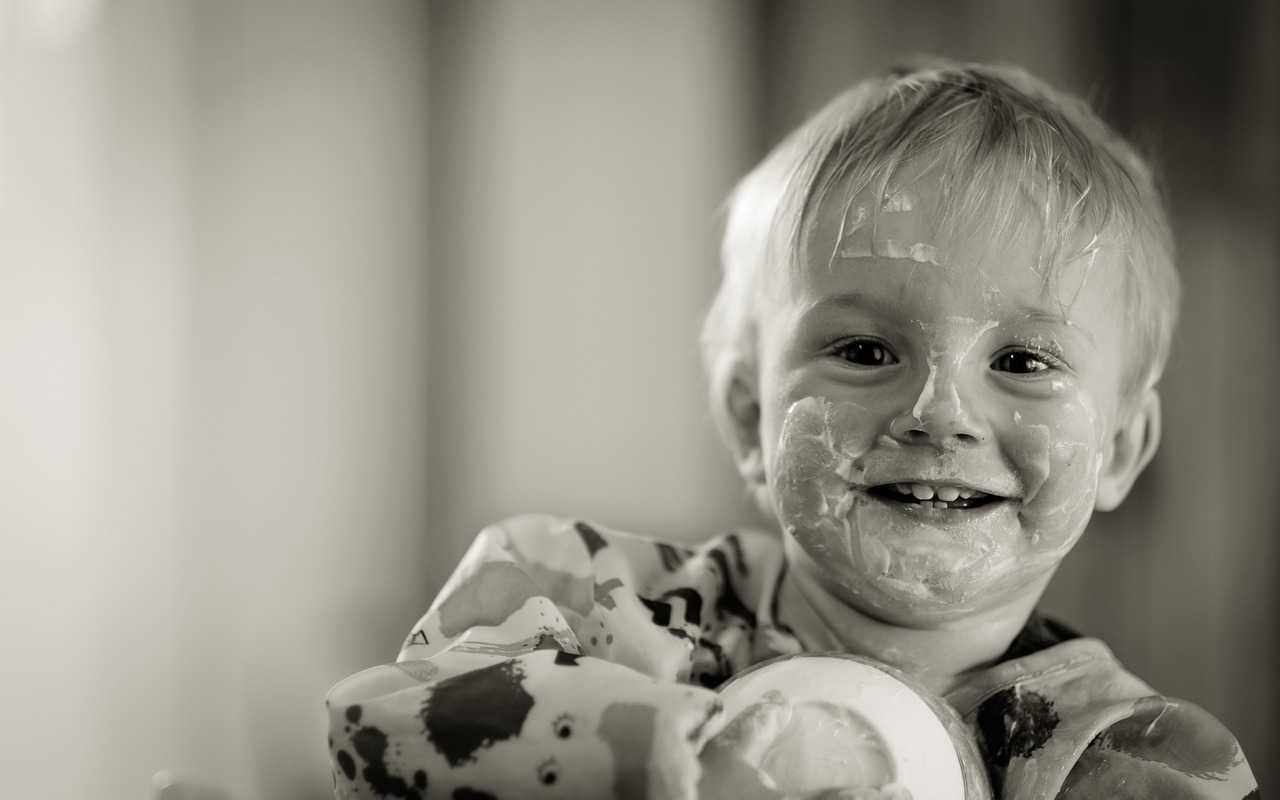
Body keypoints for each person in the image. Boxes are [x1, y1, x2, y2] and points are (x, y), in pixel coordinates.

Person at [324, 62, 1258, 799]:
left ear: (1123, 448)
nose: (939, 410)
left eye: (1023, 362)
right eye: (862, 349)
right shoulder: (578, 599)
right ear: (746, 414)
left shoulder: (1135, 764)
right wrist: (686, 759)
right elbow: (380, 728)